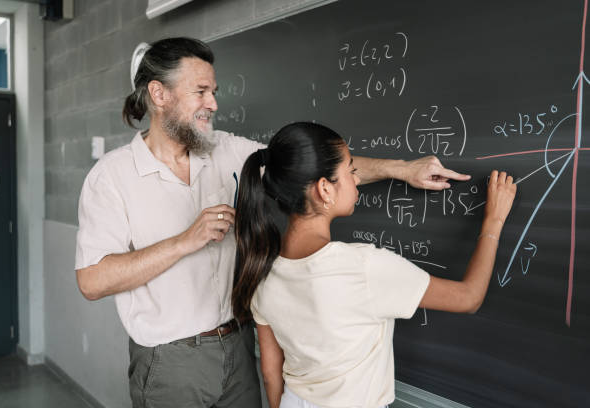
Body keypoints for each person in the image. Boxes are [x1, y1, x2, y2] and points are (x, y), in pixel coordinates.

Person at [74, 37, 470, 408]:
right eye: (201, 91)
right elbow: (92, 281)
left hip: (239, 344)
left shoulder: (227, 150)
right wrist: (184, 241)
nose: (212, 103)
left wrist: (402, 169)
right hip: (169, 362)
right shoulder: (112, 177)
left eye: (214, 91)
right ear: (159, 94)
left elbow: (314, 170)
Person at [232, 122, 517, 408]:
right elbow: (469, 297)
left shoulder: (261, 270)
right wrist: (493, 221)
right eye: (350, 170)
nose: (356, 179)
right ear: (324, 189)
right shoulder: (362, 267)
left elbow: (270, 373)